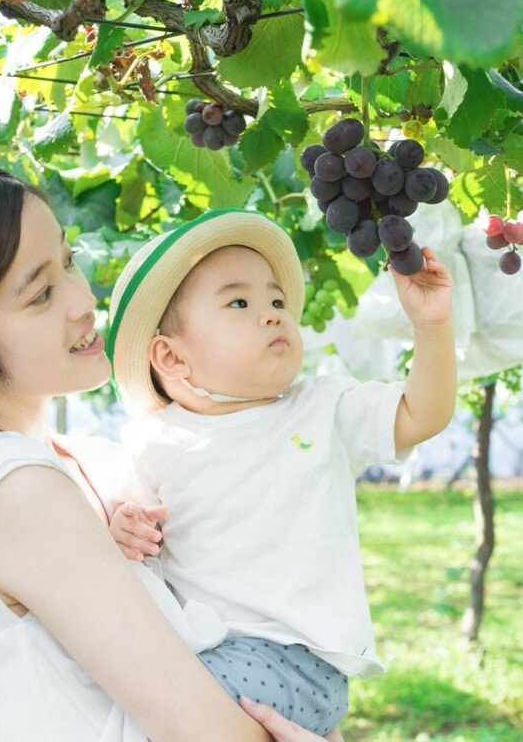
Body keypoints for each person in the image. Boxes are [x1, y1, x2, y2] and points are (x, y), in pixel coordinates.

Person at [0, 162, 331, 742]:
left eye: (68, 261)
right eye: (41, 294)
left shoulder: (76, 462)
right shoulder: (14, 490)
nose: (84, 299)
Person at [104, 209, 457, 737]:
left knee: (148, 716)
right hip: (204, 647)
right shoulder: (153, 444)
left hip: (297, 660)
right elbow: (134, 559)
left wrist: (431, 326)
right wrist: (122, 530)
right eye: (239, 303)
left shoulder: (321, 409)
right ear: (170, 357)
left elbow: (420, 414)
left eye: (275, 301)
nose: (272, 315)